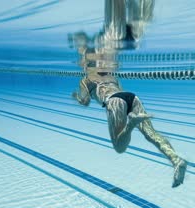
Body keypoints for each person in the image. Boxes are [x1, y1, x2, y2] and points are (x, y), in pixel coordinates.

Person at [71, 0, 187, 187]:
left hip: (115, 101)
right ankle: (176, 160)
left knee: (119, 147)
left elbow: (85, 102)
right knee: (152, 134)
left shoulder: (86, 80)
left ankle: (132, 123)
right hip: (130, 97)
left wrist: (77, 97)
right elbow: (120, 92)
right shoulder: (109, 73)